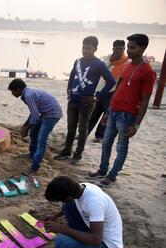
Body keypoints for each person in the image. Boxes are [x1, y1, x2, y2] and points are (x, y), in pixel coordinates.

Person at [87, 34, 157, 188]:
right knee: (106, 143)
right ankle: (102, 170)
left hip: (128, 115)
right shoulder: (127, 65)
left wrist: (136, 125)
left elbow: (145, 100)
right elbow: (117, 88)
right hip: (114, 110)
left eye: (133, 47)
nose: (129, 51)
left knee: (121, 146)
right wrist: (107, 111)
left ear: (143, 48)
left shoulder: (147, 71)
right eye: (129, 47)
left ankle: (112, 177)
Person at [55, 36, 116, 164]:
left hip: (86, 104)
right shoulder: (77, 61)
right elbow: (72, 76)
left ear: (95, 49)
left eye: (88, 48)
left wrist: (97, 96)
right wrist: (69, 90)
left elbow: (111, 81)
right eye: (83, 47)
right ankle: (66, 151)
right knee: (71, 127)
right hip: (73, 101)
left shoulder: (99, 64)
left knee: (82, 129)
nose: (85, 50)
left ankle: (78, 154)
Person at [43, 176, 123, 248]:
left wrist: (63, 229)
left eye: (61, 200)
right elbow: (69, 204)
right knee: (68, 206)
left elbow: (96, 240)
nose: (61, 202)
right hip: (97, 231)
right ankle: (80, 240)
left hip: (107, 247)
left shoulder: (94, 203)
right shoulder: (81, 187)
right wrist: (55, 216)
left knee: (60, 242)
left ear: (68, 197)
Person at [8, 79, 63, 175]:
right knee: (34, 132)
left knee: (41, 140)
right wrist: (25, 125)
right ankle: (32, 154)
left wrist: (26, 129)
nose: (12, 94)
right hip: (44, 113)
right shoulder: (26, 93)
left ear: (18, 89)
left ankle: (34, 168)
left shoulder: (28, 95)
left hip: (52, 114)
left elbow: (35, 116)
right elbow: (34, 112)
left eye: (13, 91)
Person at [88, 40, 130, 143]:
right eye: (115, 49)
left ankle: (99, 136)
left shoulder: (126, 62)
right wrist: (111, 61)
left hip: (114, 91)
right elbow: (101, 68)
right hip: (102, 89)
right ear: (113, 49)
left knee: (106, 113)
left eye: (120, 49)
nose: (118, 51)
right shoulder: (108, 58)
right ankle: (85, 133)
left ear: (124, 49)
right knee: (94, 113)